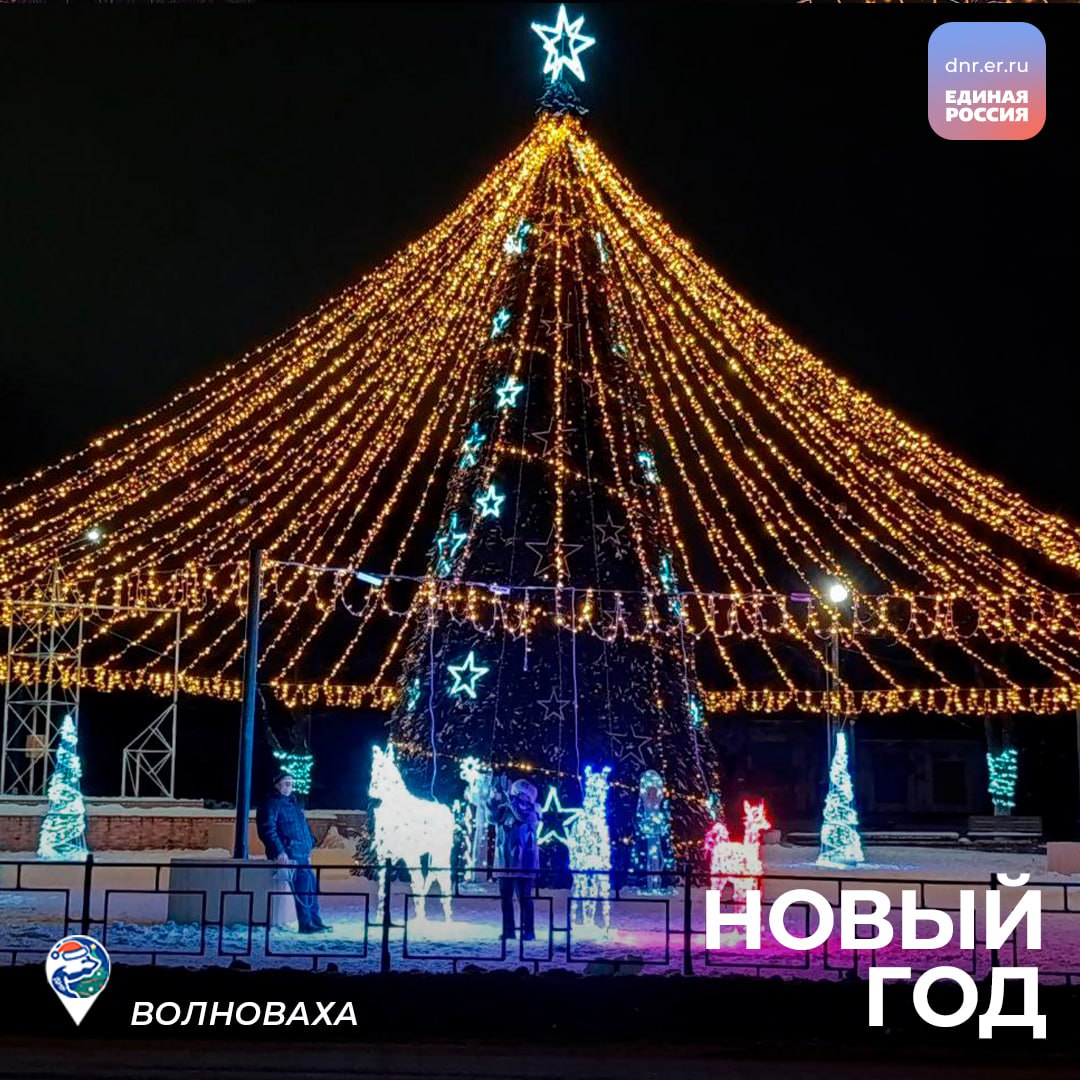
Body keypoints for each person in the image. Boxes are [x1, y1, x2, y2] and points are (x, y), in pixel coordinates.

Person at [255, 768, 331, 934]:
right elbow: (268, 829)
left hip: (301, 852)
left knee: (311, 886)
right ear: (277, 785)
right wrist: (279, 852)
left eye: (291, 784)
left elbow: (303, 827)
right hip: (290, 854)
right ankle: (306, 924)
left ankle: (315, 921)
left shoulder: (294, 804)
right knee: (302, 886)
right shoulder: (271, 803)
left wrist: (309, 846)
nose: (289, 787)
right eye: (286, 784)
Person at [488, 775, 539, 941]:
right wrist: (494, 798)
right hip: (505, 862)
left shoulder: (533, 811)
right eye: (516, 794)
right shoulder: (506, 808)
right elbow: (492, 818)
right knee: (506, 899)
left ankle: (528, 931)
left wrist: (510, 802)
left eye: (521, 795)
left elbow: (521, 816)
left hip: (523, 863)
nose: (517, 797)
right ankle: (509, 930)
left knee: (524, 898)